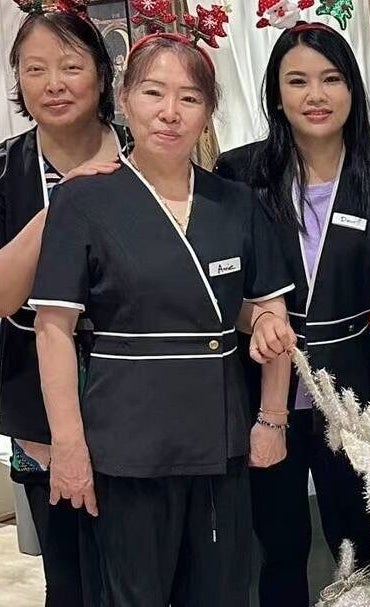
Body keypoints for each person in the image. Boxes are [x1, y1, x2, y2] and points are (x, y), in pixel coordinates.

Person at [28, 29, 297, 605]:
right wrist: (69, 446)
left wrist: (272, 418)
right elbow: (53, 332)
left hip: (219, 442)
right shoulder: (81, 201)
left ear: (208, 111)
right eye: (153, 93)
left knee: (222, 594)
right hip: (125, 447)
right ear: (124, 99)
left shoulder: (237, 203)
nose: (170, 112)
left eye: (190, 98)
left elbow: (267, 312)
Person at [214, 21, 370, 606]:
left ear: (352, 91)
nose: (315, 95)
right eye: (298, 81)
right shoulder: (240, 176)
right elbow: (219, 286)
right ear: (276, 94)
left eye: (331, 79)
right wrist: (257, 321)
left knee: (360, 540)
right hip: (260, 388)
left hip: (352, 392)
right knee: (278, 544)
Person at [0, 5, 131, 604]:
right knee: (71, 579)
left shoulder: (145, 154)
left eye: (71, 66)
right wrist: (65, 206)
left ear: (102, 74)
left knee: (148, 572)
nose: (53, 84)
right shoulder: (6, 170)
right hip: (39, 412)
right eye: (35, 70)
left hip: (143, 399)